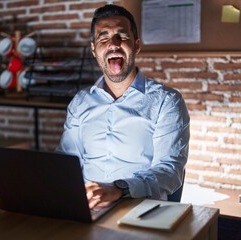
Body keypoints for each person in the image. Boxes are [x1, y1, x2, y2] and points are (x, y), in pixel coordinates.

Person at [56, 4, 190, 209]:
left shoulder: (167, 101)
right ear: (94, 50)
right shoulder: (80, 102)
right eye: (103, 38)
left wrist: (119, 189)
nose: (113, 44)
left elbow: (169, 171)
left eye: (122, 36)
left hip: (140, 209)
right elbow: (66, 162)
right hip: (87, 208)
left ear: (136, 45)